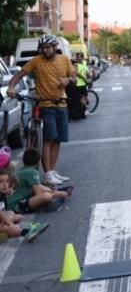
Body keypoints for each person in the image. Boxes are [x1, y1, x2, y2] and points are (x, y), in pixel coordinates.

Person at [6, 34, 75, 186]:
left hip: (61, 104)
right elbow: (19, 75)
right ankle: (48, 173)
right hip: (45, 104)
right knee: (49, 139)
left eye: (48, 48)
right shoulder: (36, 62)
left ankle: (52, 171)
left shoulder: (64, 60)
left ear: (55, 48)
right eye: (43, 48)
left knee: (58, 140)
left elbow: (74, 76)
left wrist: (68, 80)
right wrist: (11, 87)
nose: (45, 50)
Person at [6, 148, 72, 213]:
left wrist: (51, 191)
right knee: (46, 196)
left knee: (40, 187)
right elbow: (39, 194)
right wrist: (57, 194)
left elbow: (38, 186)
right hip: (15, 205)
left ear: (23, 160)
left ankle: (57, 191)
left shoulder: (22, 170)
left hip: (13, 202)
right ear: (38, 161)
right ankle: (60, 193)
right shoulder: (32, 172)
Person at [0, 169, 49, 242]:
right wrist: (11, 225)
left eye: (7, 181)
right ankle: (27, 232)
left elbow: (4, 212)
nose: (4, 184)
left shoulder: (2, 196)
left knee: (11, 214)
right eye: (0, 181)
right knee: (7, 227)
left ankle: (7, 233)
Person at [68, 52, 89, 121]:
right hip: (78, 84)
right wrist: (83, 77)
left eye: (79, 57)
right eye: (76, 57)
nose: (77, 58)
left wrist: (88, 76)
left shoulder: (84, 63)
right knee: (80, 99)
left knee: (84, 98)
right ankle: (80, 113)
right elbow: (76, 73)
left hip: (83, 84)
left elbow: (86, 71)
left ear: (82, 58)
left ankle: (82, 111)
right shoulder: (76, 65)